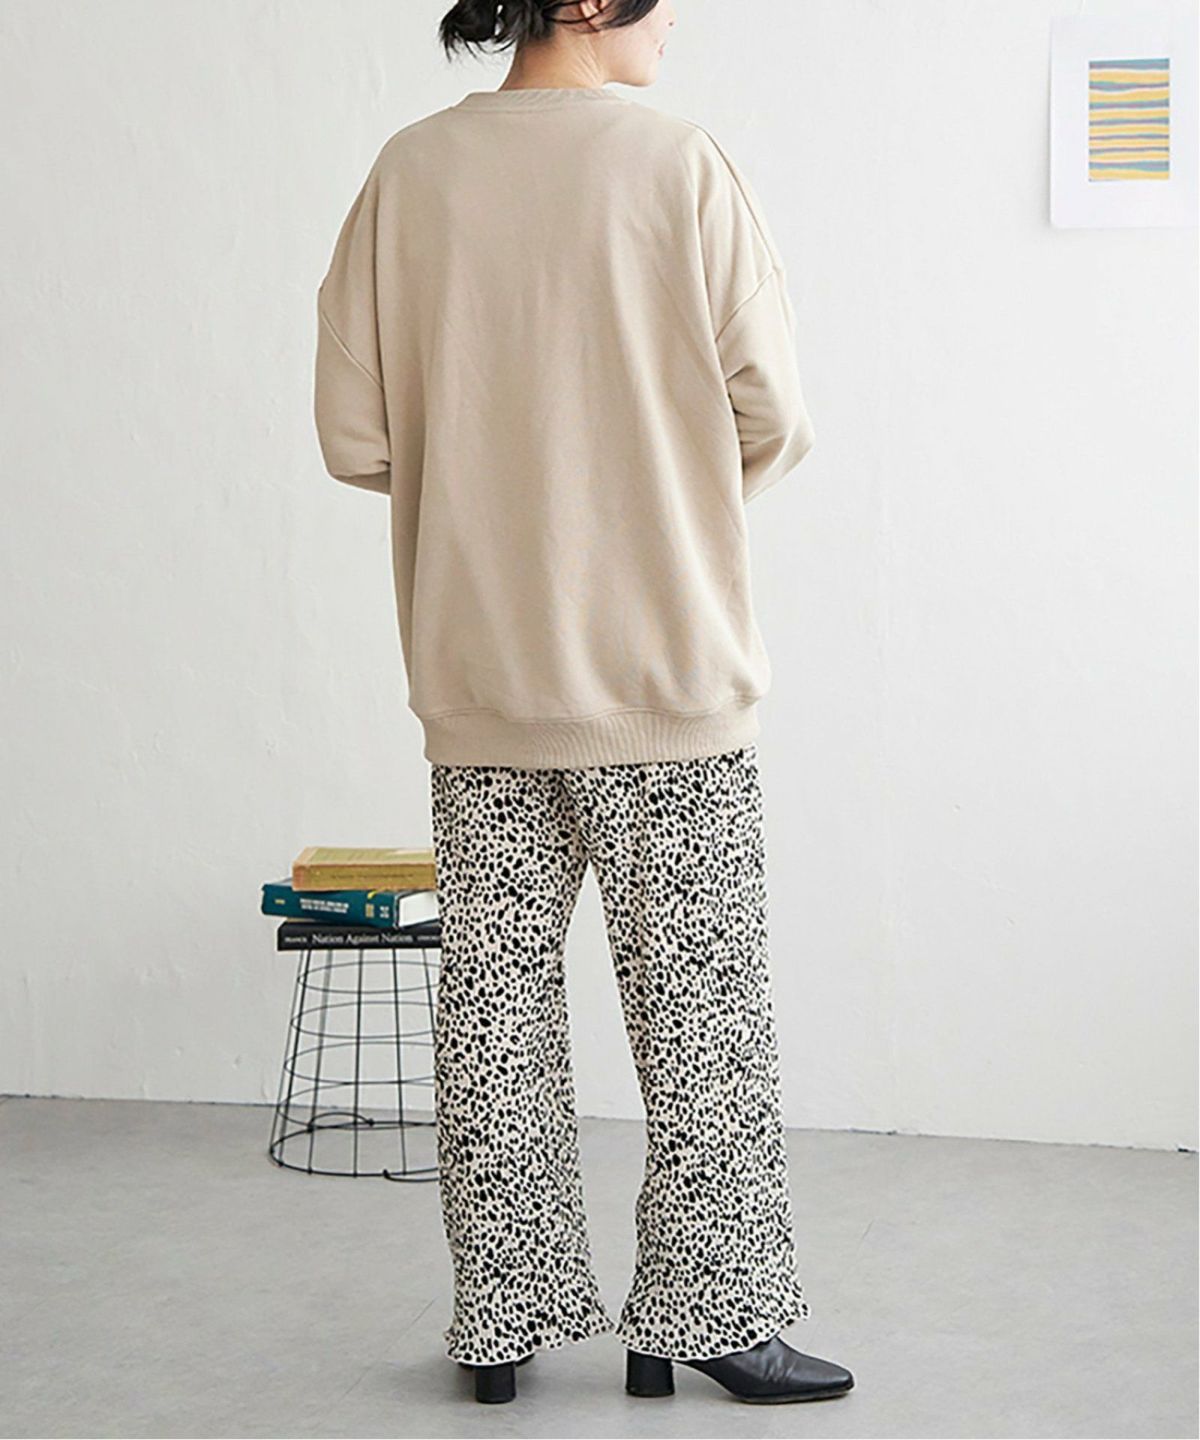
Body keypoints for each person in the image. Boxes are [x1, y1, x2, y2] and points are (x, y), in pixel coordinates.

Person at [313, 0, 854, 1409]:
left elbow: (354, 435)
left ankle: (499, 1325)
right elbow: (775, 412)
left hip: (481, 672)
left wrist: (488, 481)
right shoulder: (680, 166)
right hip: (666, 672)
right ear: (594, 2)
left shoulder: (408, 174)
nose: (678, 23)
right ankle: (711, 1315)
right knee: (702, 1018)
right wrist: (661, 491)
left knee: (491, 1009)